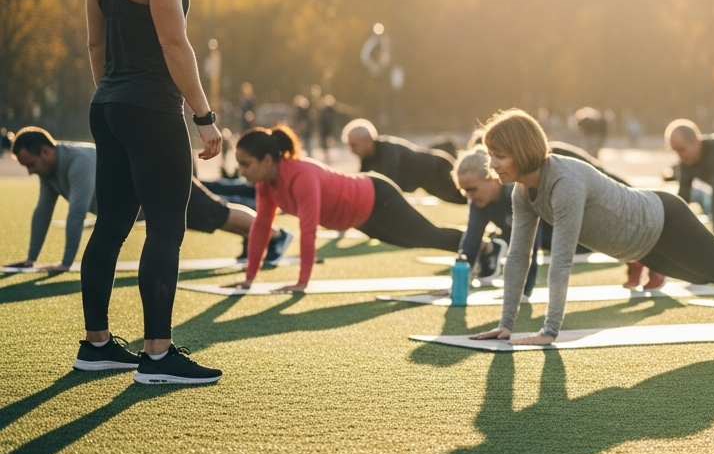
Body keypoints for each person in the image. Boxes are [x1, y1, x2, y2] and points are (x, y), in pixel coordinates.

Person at [467, 110, 714, 345]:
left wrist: (549, 331)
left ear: (524, 150)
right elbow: (518, 257)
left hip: (664, 220)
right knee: (704, 278)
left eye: (500, 155)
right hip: (642, 247)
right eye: (490, 155)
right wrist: (507, 323)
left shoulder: (565, 181)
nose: (492, 165)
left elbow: (559, 261)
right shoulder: (521, 193)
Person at [77, 0, 223, 384]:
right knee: (165, 225)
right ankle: (157, 355)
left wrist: (114, 99)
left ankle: (96, 346)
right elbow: (173, 42)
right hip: (150, 107)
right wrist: (203, 115)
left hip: (108, 105)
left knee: (112, 225)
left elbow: (96, 46)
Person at [6, 127, 291, 271]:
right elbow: (42, 212)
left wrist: (65, 264)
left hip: (162, 185)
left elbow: (77, 213)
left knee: (216, 213)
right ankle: (255, 237)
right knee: (214, 217)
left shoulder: (78, 161)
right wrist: (31, 259)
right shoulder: (50, 172)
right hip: (146, 200)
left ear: (45, 152)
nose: (31, 172)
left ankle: (277, 235)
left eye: (30, 164)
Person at [235, 125, 464, 291]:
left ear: (266, 160)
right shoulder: (265, 184)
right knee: (412, 240)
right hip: (360, 218)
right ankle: (478, 248)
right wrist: (249, 278)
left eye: (246, 164)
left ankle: (482, 248)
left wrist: (302, 282)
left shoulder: (301, 176)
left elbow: (308, 229)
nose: (242, 171)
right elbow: (262, 226)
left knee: (426, 236)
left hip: (376, 196)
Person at [456, 143, 665, 292]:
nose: (468, 196)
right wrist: (457, 283)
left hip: (573, 223)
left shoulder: (517, 191)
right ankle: (635, 260)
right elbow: (471, 239)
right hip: (554, 234)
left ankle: (652, 261)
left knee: (613, 236)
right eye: (464, 191)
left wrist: (523, 292)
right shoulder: (478, 202)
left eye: (472, 189)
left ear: (491, 180)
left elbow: (529, 247)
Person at [342, 119, 466, 205]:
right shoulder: (367, 157)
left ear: (368, 141)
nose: (351, 150)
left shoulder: (388, 151)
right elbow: (361, 183)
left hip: (438, 168)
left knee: (467, 195)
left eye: (354, 145)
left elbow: (390, 185)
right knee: (464, 198)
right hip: (427, 180)